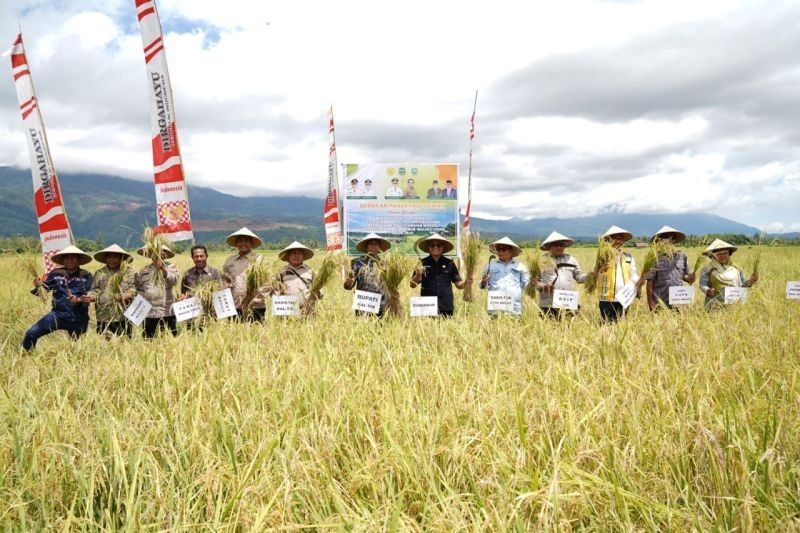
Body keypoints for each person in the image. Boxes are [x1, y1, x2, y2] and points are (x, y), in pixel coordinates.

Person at [22, 245, 94, 350]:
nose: (69, 260)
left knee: (77, 348)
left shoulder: (86, 276)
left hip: (79, 317)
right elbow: (43, 292)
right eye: (66, 258)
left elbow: (92, 295)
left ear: (79, 260)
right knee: (31, 333)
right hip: (58, 315)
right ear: (63, 260)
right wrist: (38, 286)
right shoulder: (55, 274)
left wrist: (79, 300)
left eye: (73, 258)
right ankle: (26, 356)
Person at [409, 233, 469, 317]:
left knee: (447, 329)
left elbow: (458, 284)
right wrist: (418, 275)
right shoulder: (422, 263)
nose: (435, 247)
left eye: (438, 245)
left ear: (443, 247)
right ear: (428, 247)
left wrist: (465, 283)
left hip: (446, 305)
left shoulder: (450, 263)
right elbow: (412, 285)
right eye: (432, 245)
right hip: (427, 304)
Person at [594, 226, 642, 323]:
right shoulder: (602, 256)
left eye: (621, 239)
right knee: (607, 325)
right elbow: (593, 275)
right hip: (607, 297)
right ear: (608, 240)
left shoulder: (628, 256)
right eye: (615, 238)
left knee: (622, 324)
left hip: (624, 297)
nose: (618, 242)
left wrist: (639, 283)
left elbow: (633, 274)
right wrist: (600, 270)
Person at [535, 231, 587, 318]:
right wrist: (544, 286)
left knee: (568, 329)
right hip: (548, 303)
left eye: (561, 245)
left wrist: (592, 275)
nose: (559, 247)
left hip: (568, 301)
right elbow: (533, 282)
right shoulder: (541, 261)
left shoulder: (571, 259)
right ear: (549, 247)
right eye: (556, 245)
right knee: (549, 329)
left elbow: (579, 277)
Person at [87, 244, 136, 336]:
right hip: (103, 315)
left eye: (115, 257)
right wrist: (90, 297)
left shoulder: (128, 272)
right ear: (105, 259)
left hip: (123, 315)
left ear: (121, 258)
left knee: (124, 343)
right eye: (109, 257)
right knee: (105, 344)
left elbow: (133, 289)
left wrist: (124, 296)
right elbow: (93, 290)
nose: (112, 259)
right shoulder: (99, 273)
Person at [643, 225, 695, 310]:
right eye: (664, 238)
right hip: (660, 302)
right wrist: (650, 302)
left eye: (671, 238)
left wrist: (690, 278)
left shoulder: (682, 256)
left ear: (674, 241)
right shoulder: (653, 258)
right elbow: (650, 282)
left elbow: (685, 277)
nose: (668, 241)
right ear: (659, 241)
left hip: (678, 301)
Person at [699, 238, 758, 310]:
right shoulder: (707, 269)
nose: (723, 256)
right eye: (719, 254)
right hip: (714, 305)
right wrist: (707, 290)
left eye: (725, 253)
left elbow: (744, 285)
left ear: (729, 254)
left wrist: (751, 281)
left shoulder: (736, 268)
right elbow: (703, 284)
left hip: (735, 306)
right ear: (713, 256)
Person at [135, 244, 180, 338]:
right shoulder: (145, 270)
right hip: (149, 312)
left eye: (159, 253)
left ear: (164, 254)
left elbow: (173, 281)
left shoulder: (171, 267)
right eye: (153, 253)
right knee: (148, 339)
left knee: (169, 339)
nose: (156, 255)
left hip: (166, 311)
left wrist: (162, 269)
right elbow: (139, 288)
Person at [479, 236, 529, 316]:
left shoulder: (520, 266)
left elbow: (526, 284)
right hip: (495, 308)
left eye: (504, 249)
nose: (501, 252)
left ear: (511, 250)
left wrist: (534, 283)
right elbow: (482, 285)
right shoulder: (490, 265)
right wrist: (484, 282)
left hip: (514, 308)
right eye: (499, 249)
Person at [223, 227, 265, 320]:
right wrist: (226, 285)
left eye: (246, 241)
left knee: (256, 331)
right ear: (237, 243)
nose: (243, 244)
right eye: (240, 241)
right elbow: (224, 280)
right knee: (235, 332)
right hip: (235, 304)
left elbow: (268, 281)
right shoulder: (230, 260)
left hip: (256, 305)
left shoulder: (259, 259)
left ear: (251, 243)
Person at [344, 233, 390, 317]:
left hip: (382, 303)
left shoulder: (385, 263)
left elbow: (390, 284)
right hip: (364, 303)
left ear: (379, 247)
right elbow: (349, 285)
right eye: (371, 244)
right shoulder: (356, 262)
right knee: (362, 328)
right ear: (366, 247)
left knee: (382, 328)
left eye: (376, 244)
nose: (374, 246)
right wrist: (348, 283)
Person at [274, 241, 320, 315]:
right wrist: (281, 311)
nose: (296, 256)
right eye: (293, 253)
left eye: (299, 253)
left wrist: (315, 296)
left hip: (308, 310)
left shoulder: (311, 271)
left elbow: (319, 289)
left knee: (308, 326)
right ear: (288, 256)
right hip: (287, 311)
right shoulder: (281, 272)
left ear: (303, 256)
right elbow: (275, 291)